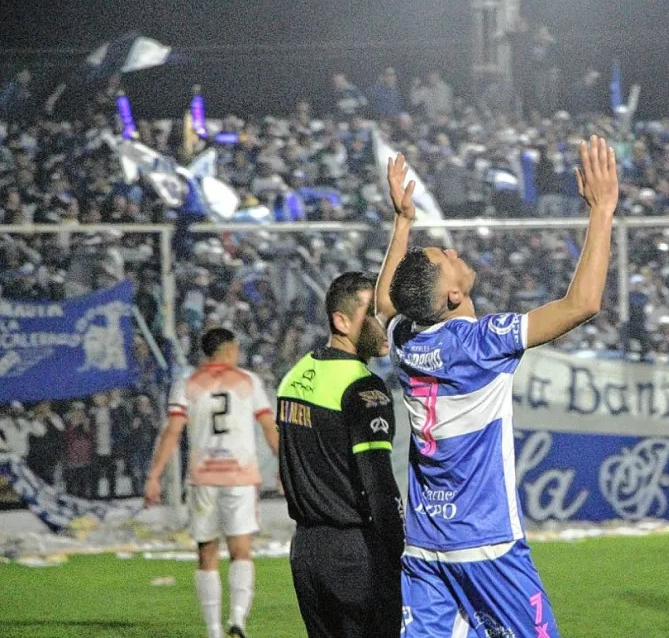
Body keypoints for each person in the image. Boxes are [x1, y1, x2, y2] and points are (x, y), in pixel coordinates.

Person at [375, 136, 618, 638]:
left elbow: (384, 304)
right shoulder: (481, 343)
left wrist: (402, 223)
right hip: (485, 543)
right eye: (446, 256)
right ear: (453, 294)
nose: (453, 250)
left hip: (425, 546)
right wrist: (602, 210)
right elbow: (582, 304)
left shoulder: (404, 339)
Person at [277, 271, 404, 638]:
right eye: (372, 314)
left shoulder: (294, 377)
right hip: (354, 551)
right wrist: (399, 550)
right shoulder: (364, 388)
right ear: (341, 321)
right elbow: (378, 485)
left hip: (305, 551)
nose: (383, 324)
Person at [144, 328, 279, 638]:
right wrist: (283, 467)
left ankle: (214, 630)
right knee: (241, 550)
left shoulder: (188, 384)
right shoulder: (248, 381)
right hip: (240, 477)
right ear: (229, 350)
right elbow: (269, 427)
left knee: (207, 553)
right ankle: (238, 619)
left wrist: (154, 476)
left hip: (204, 477)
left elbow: (172, 431)